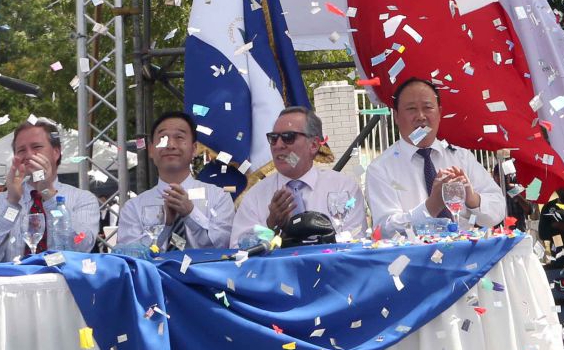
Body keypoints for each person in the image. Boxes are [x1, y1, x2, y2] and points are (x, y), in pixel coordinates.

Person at [364, 78, 507, 234]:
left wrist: (472, 199)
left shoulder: (461, 157)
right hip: (413, 257)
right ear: (396, 117)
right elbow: (385, 230)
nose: (420, 116)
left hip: (467, 255)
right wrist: (431, 206)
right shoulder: (380, 168)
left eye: (427, 107)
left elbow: (497, 210)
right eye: (411, 109)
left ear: (439, 113)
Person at [229, 107, 367, 247]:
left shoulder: (343, 188)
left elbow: (357, 240)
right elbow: (237, 249)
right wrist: (270, 226)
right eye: (273, 138)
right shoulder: (256, 196)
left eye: (288, 137)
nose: (278, 145)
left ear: (313, 145)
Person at [0, 119, 100, 261]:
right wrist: (12, 204)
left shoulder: (82, 199)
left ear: (56, 152)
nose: (29, 155)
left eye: (36, 147)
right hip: (15, 280)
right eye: (21, 150)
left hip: (63, 280)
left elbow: (82, 245)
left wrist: (48, 194)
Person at [116, 110, 234, 250]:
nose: (170, 145)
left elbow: (225, 246)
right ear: (151, 150)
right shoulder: (133, 207)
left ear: (194, 149)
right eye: (163, 138)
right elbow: (131, 257)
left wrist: (191, 213)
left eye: (179, 137)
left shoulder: (219, 197)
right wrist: (165, 226)